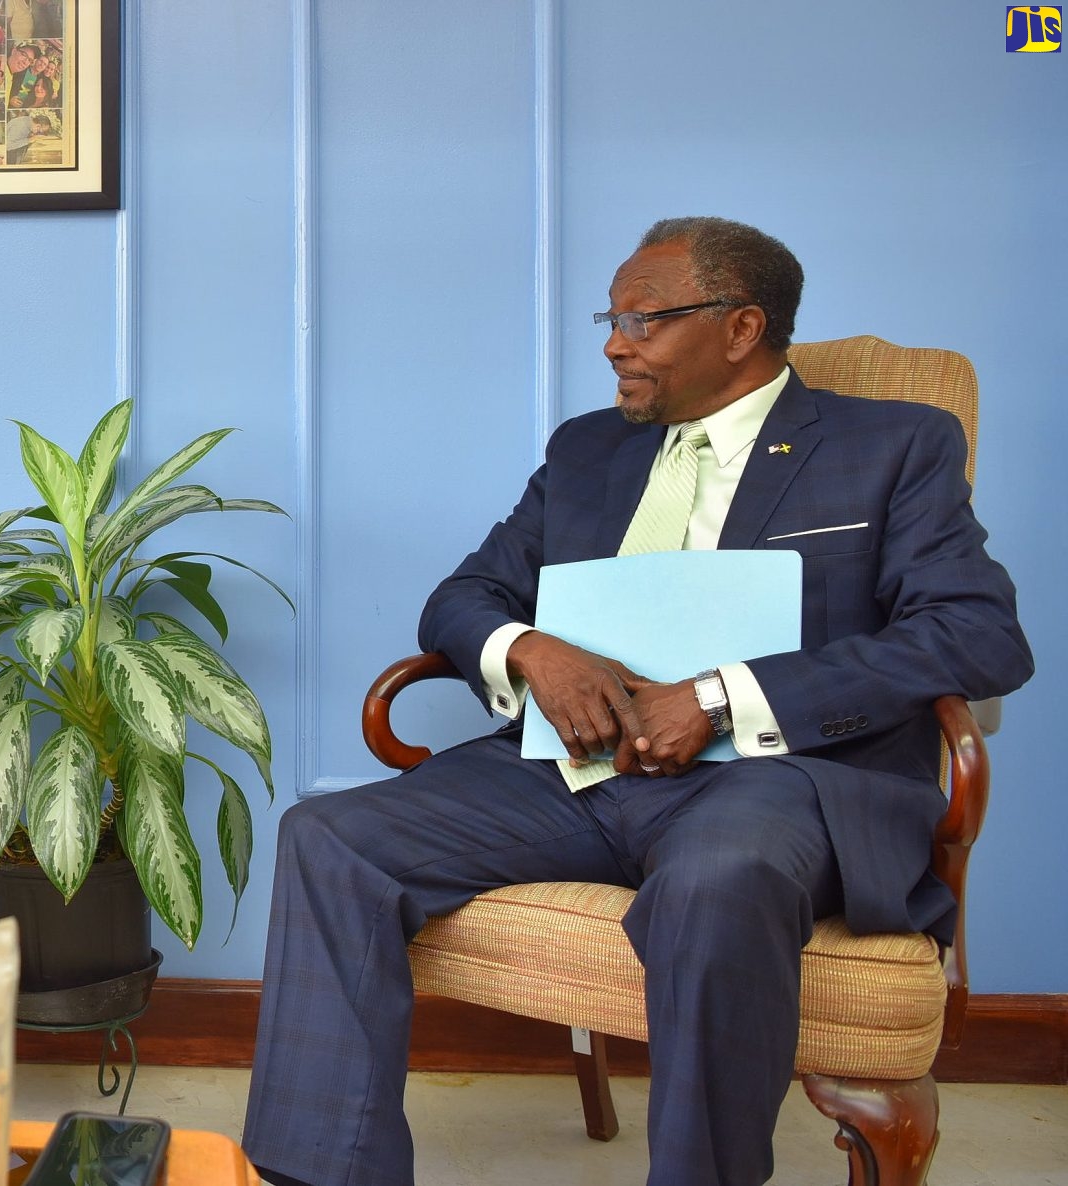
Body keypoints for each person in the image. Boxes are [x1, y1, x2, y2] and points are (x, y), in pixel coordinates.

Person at [241, 217, 1032, 1186]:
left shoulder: (892, 444)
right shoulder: (586, 451)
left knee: (717, 876)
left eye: (641, 318)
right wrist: (529, 648)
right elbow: (462, 596)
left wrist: (717, 696)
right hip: (565, 773)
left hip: (774, 782)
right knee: (327, 838)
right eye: (609, 318)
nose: (614, 341)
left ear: (740, 327)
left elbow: (975, 634)